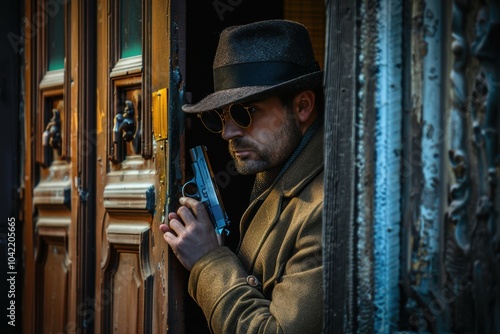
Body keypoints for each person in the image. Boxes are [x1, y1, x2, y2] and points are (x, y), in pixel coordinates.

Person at [159, 19, 324, 333]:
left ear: (302, 105)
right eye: (221, 115)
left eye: (244, 112)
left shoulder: (325, 209)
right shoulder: (279, 170)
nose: (227, 132)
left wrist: (209, 260)